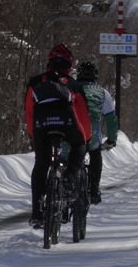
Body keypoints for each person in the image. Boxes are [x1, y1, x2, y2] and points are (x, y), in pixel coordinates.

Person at [25, 43, 92, 228]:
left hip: (41, 126)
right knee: (79, 145)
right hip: (67, 123)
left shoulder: (35, 82)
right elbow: (83, 115)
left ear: (48, 63)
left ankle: (37, 213)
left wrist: (33, 135)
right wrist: (86, 139)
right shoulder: (72, 84)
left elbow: (29, 111)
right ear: (69, 66)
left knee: (41, 164)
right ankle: (70, 177)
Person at [76, 61, 118, 204]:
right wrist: (111, 140)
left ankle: (64, 185)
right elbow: (111, 119)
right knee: (95, 153)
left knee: (67, 157)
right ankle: (93, 190)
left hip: (70, 129)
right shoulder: (102, 92)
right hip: (91, 132)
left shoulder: (69, 88)